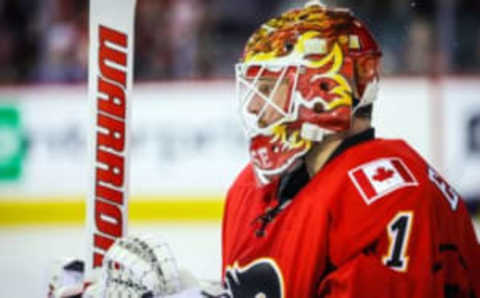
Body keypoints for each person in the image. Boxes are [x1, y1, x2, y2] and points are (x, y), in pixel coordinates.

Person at [48, 1, 480, 297]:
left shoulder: (390, 195)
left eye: (270, 87)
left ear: (323, 88)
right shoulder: (252, 190)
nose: (254, 104)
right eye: (254, 87)